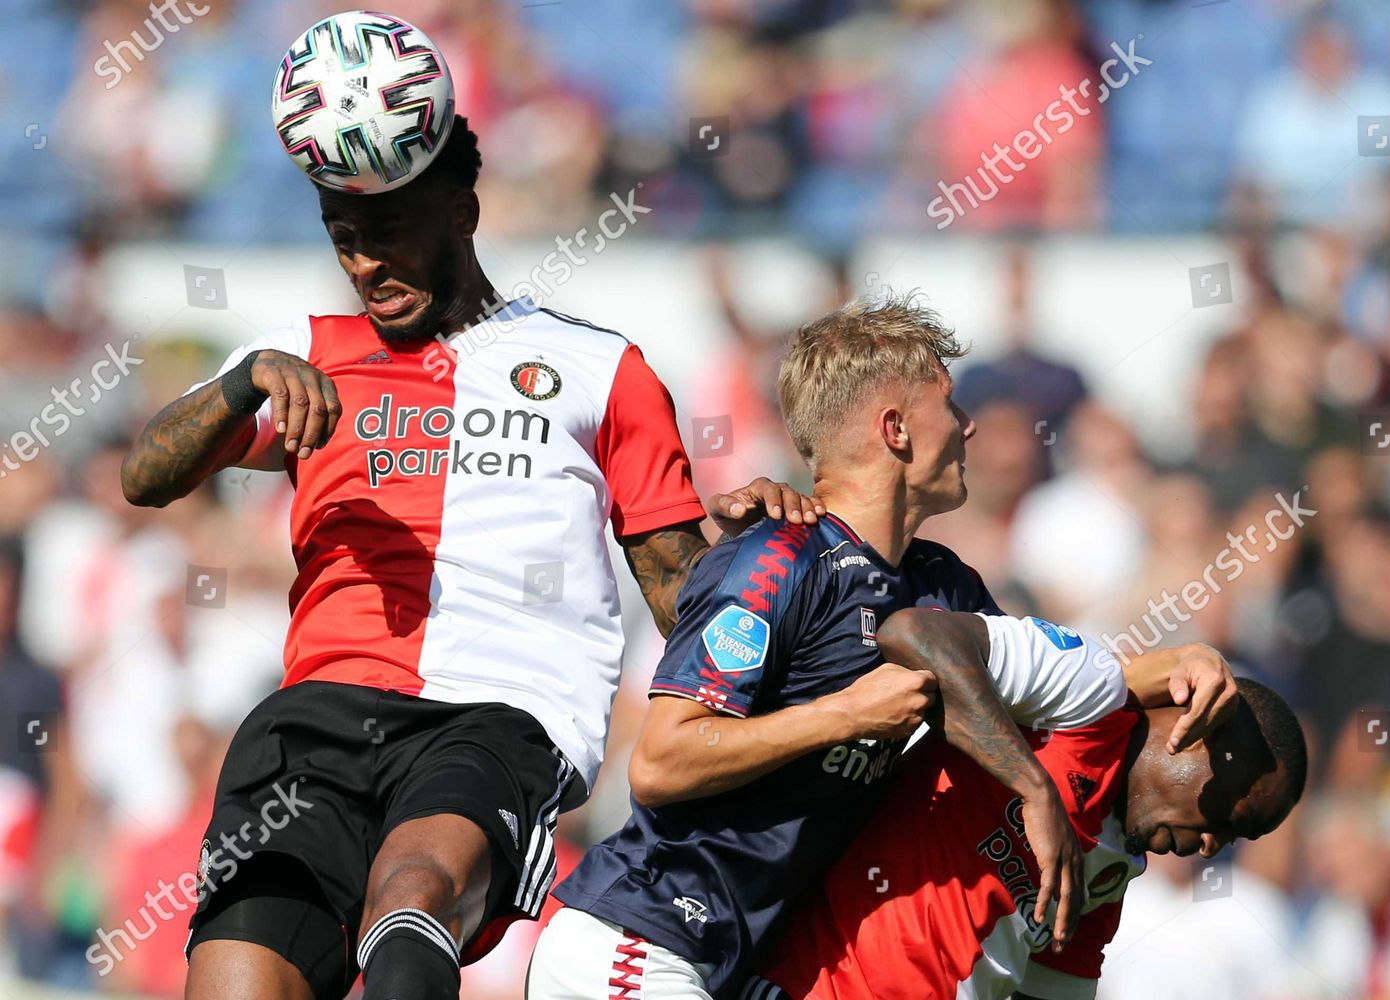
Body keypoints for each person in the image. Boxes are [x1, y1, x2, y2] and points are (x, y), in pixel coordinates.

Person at [118, 115, 814, 1000]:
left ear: (462, 212)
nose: (366, 265)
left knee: (412, 902)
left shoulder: (600, 369)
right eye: (346, 242)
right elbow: (147, 476)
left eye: (389, 235)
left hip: (498, 714)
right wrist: (238, 381)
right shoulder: (306, 357)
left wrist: (775, 560)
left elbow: (680, 593)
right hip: (314, 721)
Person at [527, 295, 1235, 1000]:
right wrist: (847, 716)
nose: (969, 426)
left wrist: (1179, 666)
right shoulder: (775, 556)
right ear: (895, 429)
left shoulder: (944, 585)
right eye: (950, 406)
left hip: (731, 969)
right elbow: (659, 762)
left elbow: (1043, 693)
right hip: (637, 942)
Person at [749, 608, 1307, 1000]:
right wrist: (1035, 789)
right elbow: (912, 634)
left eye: (1235, 842)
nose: (1212, 848)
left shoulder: (1116, 868)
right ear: (1197, 736)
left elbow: (1055, 987)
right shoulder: (1088, 691)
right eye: (1230, 821)